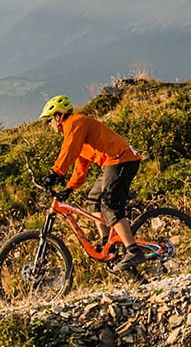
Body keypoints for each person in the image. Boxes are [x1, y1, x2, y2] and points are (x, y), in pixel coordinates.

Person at [37, 95, 147, 270]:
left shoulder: (74, 123)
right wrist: (70, 188)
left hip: (121, 159)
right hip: (111, 163)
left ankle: (133, 251)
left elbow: (69, 150)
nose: (49, 125)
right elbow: (81, 165)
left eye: (49, 120)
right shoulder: (74, 129)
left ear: (57, 117)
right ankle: (108, 244)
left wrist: (55, 172)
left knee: (110, 204)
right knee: (94, 201)